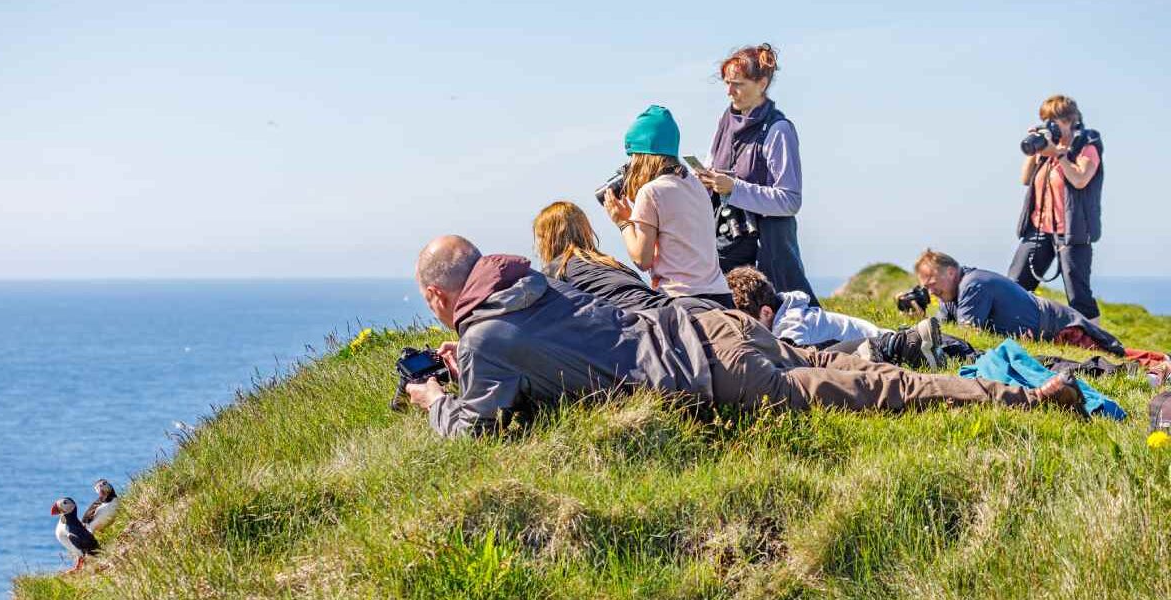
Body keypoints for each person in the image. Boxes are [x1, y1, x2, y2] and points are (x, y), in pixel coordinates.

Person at [404, 235, 1086, 438]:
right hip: (710, 319)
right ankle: (1017, 383)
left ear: (439, 296)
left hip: (704, 371)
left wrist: (431, 398)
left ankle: (1026, 400)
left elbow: (472, 429)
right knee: (849, 363)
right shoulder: (530, 282)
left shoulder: (486, 335)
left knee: (876, 390)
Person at [697, 43, 818, 305]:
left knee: (788, 321)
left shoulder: (779, 130)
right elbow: (714, 169)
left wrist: (734, 189)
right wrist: (706, 181)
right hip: (727, 241)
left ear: (762, 84)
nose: (729, 91)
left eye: (738, 84)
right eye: (727, 83)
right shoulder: (725, 122)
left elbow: (790, 200)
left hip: (769, 250)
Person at [601, 105, 735, 308]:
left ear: (642, 156)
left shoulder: (651, 192)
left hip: (683, 302)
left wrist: (623, 222)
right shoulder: (695, 184)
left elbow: (642, 259)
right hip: (721, 298)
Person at [725, 266, 945, 369]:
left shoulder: (790, 322)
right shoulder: (787, 313)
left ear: (765, 312)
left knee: (808, 355)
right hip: (876, 338)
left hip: (882, 343)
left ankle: (909, 344)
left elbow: (793, 359)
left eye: (748, 324)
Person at [914, 249, 1124, 355]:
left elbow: (968, 337)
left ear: (950, 272)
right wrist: (919, 320)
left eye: (932, 284)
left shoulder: (972, 284)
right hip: (1050, 328)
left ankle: (1158, 362)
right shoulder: (951, 293)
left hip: (1063, 330)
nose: (931, 291)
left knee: (1120, 356)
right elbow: (944, 328)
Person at [1006, 95, 1104, 322]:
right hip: (1039, 229)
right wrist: (1036, 149)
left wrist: (1059, 154)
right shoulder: (1046, 149)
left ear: (1070, 120)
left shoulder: (1086, 146)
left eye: (1053, 120)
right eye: (1045, 120)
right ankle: (1012, 326)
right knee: (1015, 283)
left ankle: (1095, 339)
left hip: (1072, 232)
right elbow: (1025, 178)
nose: (1049, 125)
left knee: (1077, 292)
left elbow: (1080, 179)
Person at [533, 200, 721, 314]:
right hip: (678, 307)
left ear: (548, 239)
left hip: (640, 321)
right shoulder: (610, 263)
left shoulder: (556, 272)